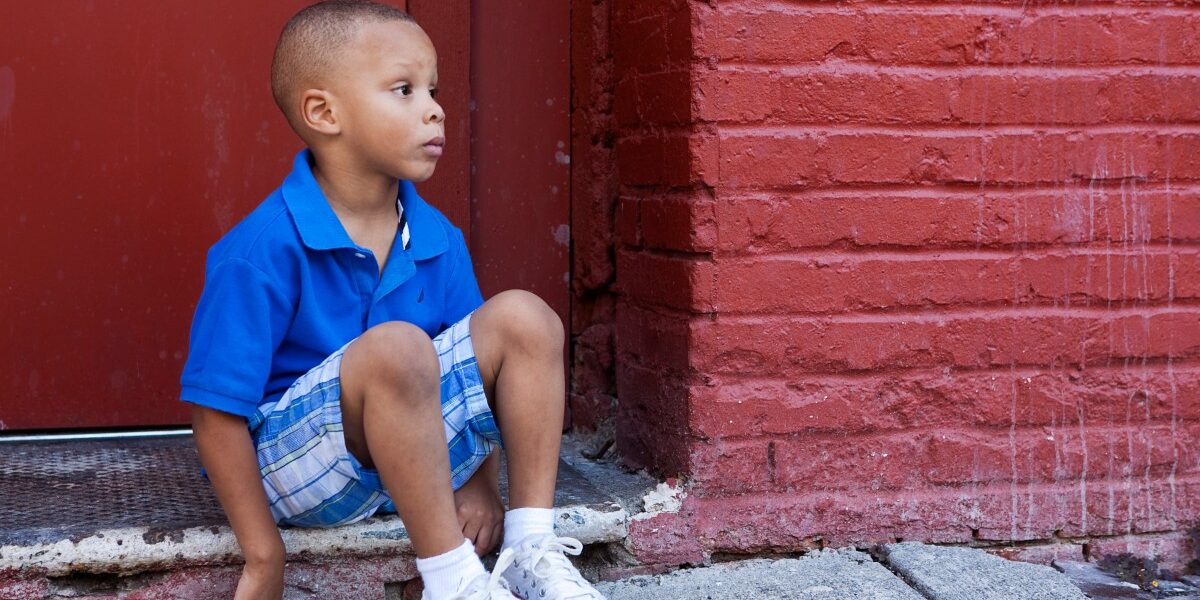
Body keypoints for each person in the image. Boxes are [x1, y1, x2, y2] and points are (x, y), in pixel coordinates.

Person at [180, 2, 604, 598]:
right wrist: (262, 554)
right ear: (325, 113)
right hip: (296, 473)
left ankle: (529, 548)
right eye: (404, 90)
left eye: (433, 89)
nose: (435, 108)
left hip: (411, 457)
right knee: (401, 350)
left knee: (525, 319)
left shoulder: (436, 238)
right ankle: (453, 581)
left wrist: (482, 485)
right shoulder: (260, 249)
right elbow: (215, 414)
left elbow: (477, 380)